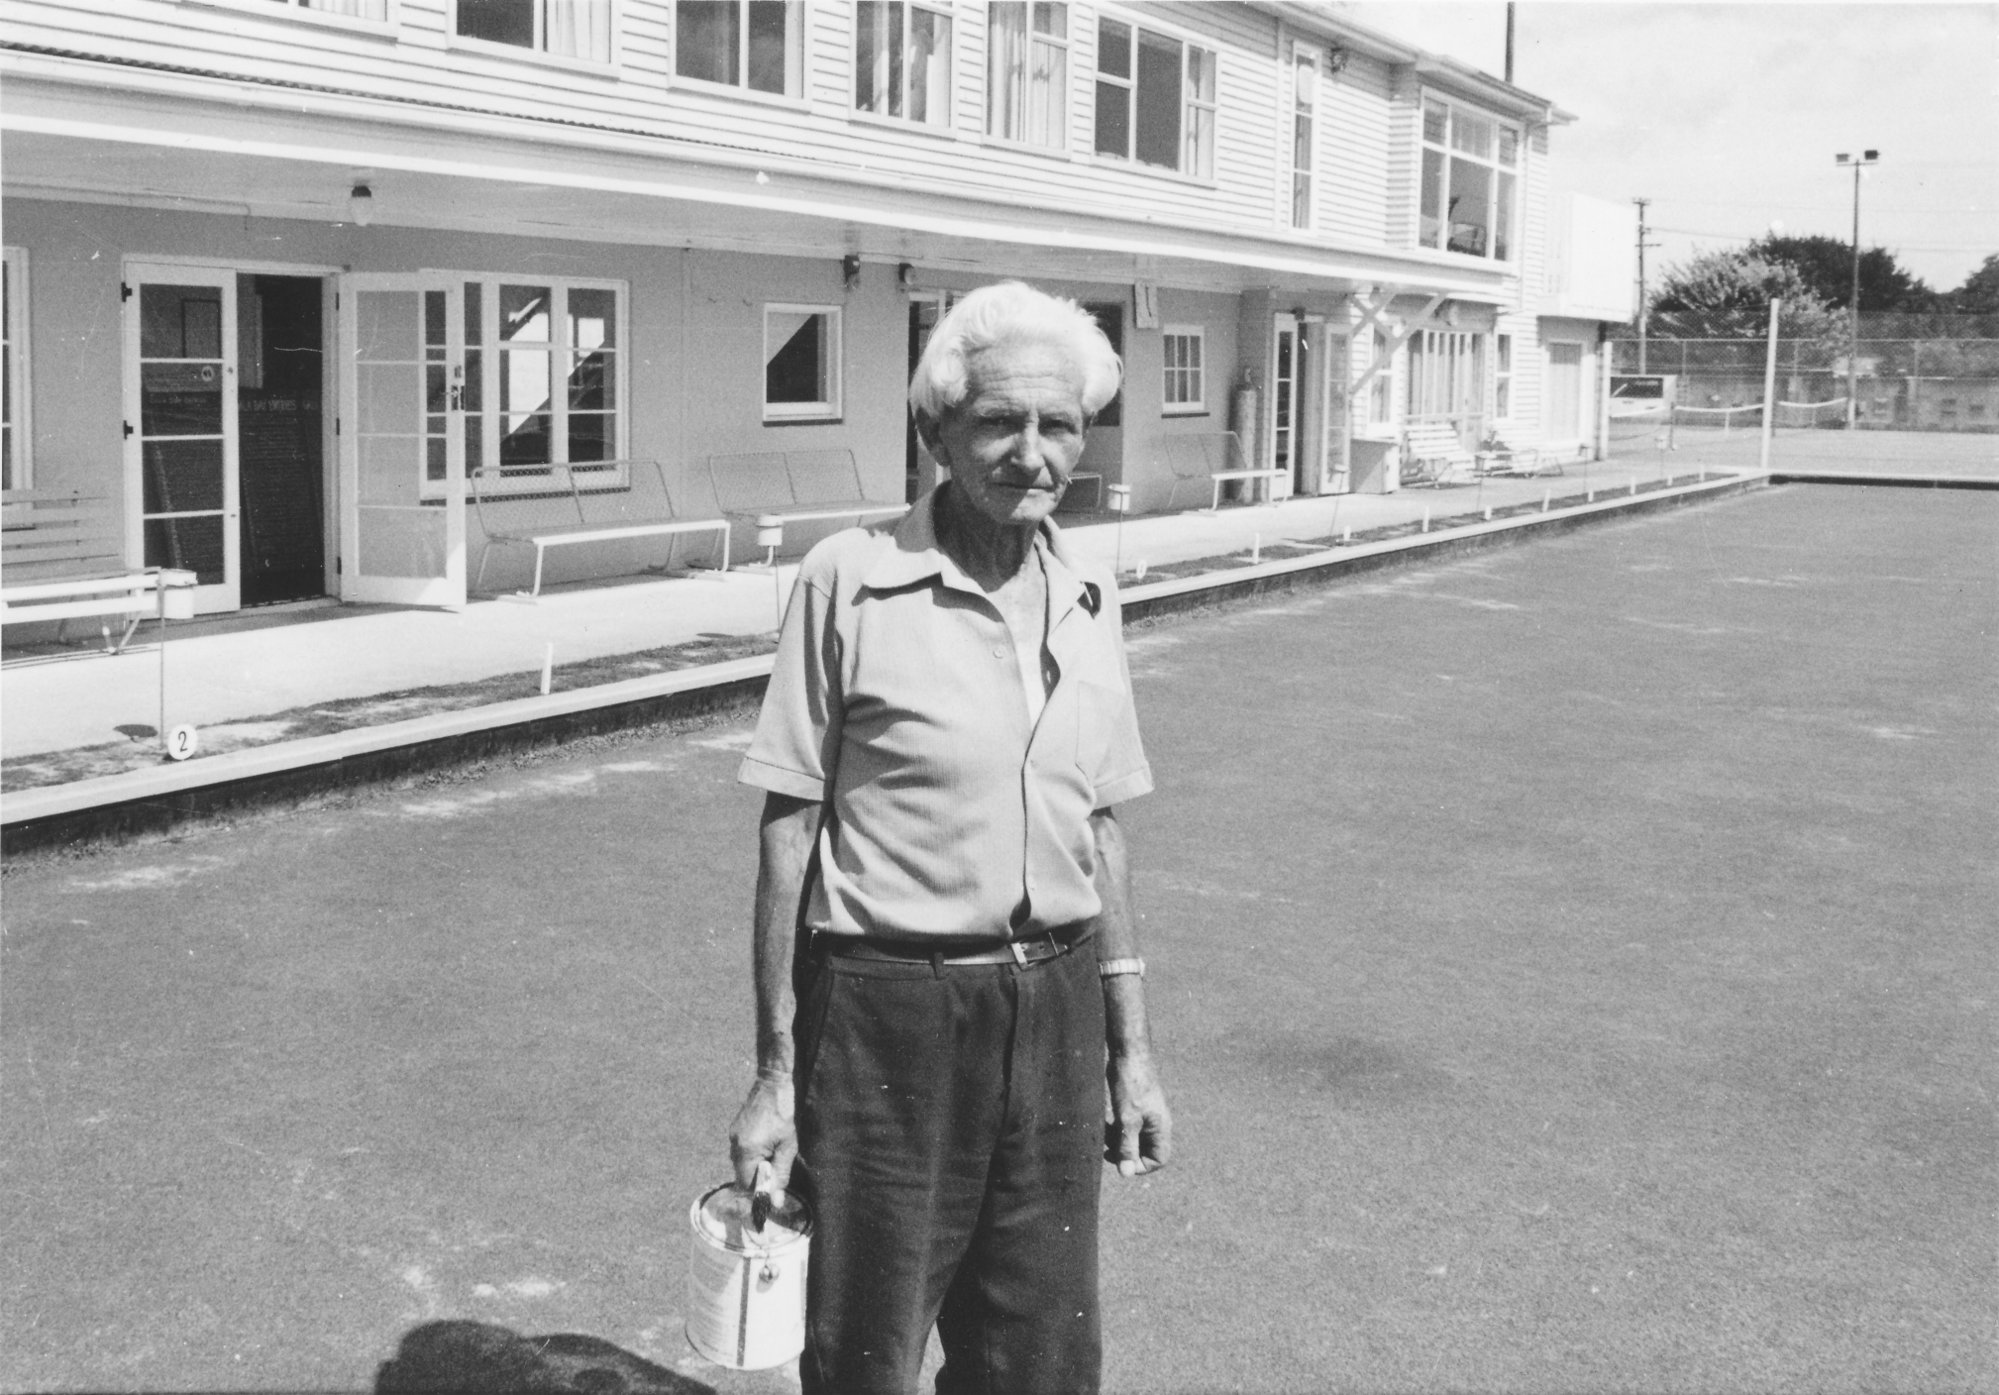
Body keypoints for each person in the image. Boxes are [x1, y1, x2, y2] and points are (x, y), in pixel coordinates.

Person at [727, 280, 1171, 1395]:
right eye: (999, 422)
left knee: (1040, 1355)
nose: (1033, 453)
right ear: (934, 431)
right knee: (863, 1349)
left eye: (1060, 425)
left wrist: (1133, 1053)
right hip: (889, 1015)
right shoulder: (848, 579)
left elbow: (1098, 830)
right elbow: (789, 837)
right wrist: (775, 1078)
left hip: (1056, 1004)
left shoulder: (1087, 589)